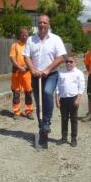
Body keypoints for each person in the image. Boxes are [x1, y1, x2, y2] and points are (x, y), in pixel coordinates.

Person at [23, 14, 67, 147]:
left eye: (45, 23)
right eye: (40, 23)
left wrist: (47, 69)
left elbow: (61, 58)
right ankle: (42, 127)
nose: (42, 25)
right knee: (39, 102)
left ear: (49, 25)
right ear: (38, 24)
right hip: (36, 75)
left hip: (51, 74)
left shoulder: (55, 39)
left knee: (48, 93)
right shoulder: (31, 40)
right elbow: (26, 57)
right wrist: (33, 69)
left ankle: (47, 122)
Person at [55, 55, 85, 147]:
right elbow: (57, 86)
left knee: (73, 119)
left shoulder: (79, 73)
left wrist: (78, 99)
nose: (68, 63)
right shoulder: (61, 73)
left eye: (71, 62)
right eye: (67, 61)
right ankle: (64, 138)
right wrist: (56, 98)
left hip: (73, 99)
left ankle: (73, 138)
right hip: (63, 99)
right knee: (64, 119)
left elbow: (82, 87)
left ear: (75, 63)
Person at [9, 27, 34, 119]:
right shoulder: (15, 45)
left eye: (26, 33)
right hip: (16, 73)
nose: (24, 35)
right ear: (20, 35)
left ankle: (29, 111)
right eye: (22, 33)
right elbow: (12, 58)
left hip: (27, 73)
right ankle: (16, 112)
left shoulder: (30, 46)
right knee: (16, 93)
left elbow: (33, 59)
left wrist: (26, 67)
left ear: (28, 35)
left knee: (28, 92)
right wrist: (20, 67)